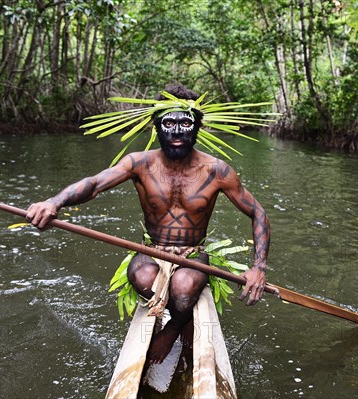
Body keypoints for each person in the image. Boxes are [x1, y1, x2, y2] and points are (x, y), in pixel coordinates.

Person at [26, 84, 270, 364]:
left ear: (197, 127)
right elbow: (94, 184)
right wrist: (54, 202)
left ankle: (173, 328)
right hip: (152, 250)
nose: (177, 131)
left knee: (184, 286)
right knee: (143, 278)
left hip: (193, 255)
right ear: (157, 127)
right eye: (169, 123)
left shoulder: (217, 170)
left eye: (185, 123)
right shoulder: (140, 163)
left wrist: (258, 267)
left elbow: (258, 213)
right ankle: (181, 316)